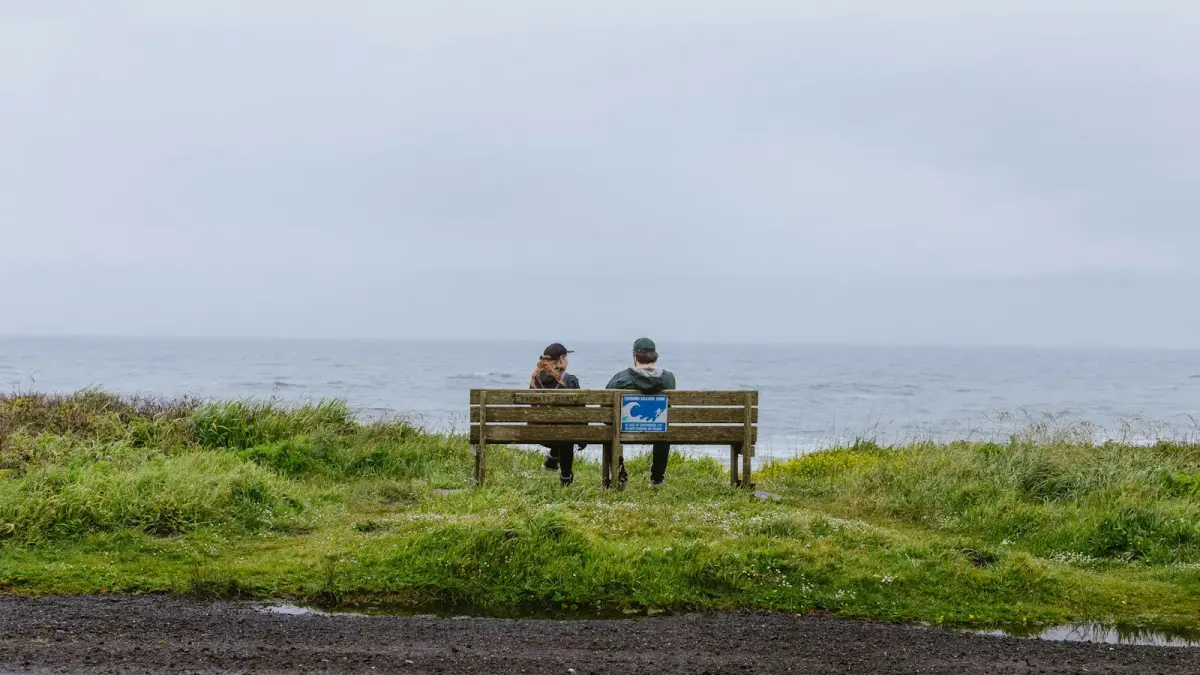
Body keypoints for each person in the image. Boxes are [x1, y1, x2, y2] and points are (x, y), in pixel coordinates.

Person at [606, 337, 677, 486]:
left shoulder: (621, 379)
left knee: (609, 429)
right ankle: (657, 478)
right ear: (655, 355)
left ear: (635, 355)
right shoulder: (668, 379)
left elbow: (605, 408)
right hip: (658, 431)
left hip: (624, 430)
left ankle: (619, 473)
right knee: (664, 427)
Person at [529, 342, 582, 486]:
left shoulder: (535, 379)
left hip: (537, 433)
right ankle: (565, 477)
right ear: (562, 358)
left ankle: (553, 458)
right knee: (565, 432)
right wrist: (583, 437)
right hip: (564, 436)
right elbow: (580, 412)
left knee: (558, 428)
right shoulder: (570, 380)